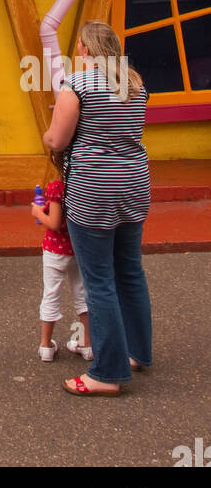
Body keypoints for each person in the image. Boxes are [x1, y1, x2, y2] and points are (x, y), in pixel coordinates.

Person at [43, 20, 151, 396]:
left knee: (99, 280)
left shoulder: (78, 85)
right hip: (134, 187)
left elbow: (58, 138)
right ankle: (136, 352)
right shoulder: (135, 85)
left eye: (79, 49)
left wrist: (47, 132)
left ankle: (107, 373)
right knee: (130, 271)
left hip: (94, 192)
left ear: (87, 50)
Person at [31, 172, 92, 363]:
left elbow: (55, 223)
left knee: (51, 294)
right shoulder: (86, 183)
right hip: (79, 247)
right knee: (82, 294)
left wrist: (38, 212)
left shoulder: (58, 187)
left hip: (55, 250)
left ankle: (46, 345)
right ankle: (86, 344)